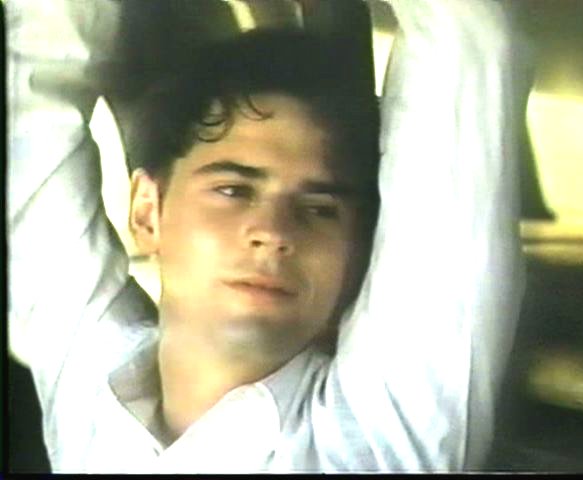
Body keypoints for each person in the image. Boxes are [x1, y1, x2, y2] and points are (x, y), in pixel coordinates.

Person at [8, 0, 526, 473]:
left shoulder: (383, 436)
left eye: (319, 209)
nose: (273, 233)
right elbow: (36, 84)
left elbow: (466, 46)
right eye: (233, 190)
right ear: (147, 212)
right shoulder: (93, 388)